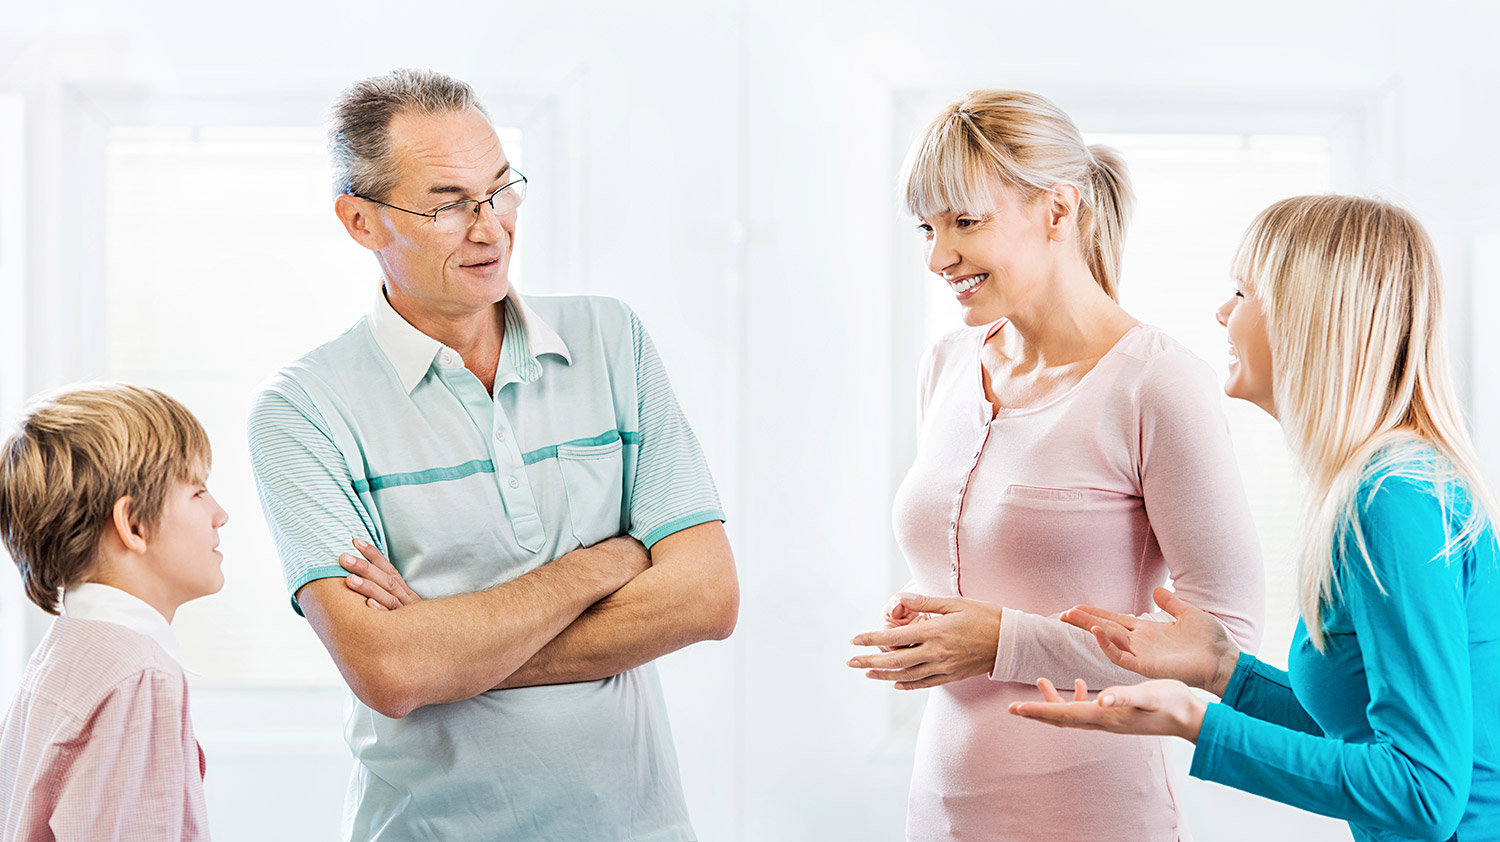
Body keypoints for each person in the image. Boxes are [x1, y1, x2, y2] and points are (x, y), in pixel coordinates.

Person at [246, 68, 737, 842]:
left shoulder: (612, 342)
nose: (492, 226)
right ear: (361, 222)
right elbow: (389, 673)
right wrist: (601, 565)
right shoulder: (301, 410)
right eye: (448, 204)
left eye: (502, 189)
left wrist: (446, 647)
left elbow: (706, 600)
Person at [1010, 194, 1500, 842]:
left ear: (1307, 319)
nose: (1222, 314)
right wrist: (1221, 671)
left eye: (1241, 293)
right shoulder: (1384, 486)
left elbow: (1421, 792)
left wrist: (1194, 720)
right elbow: (1361, 732)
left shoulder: (1391, 501)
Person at [845, 89, 1265, 841]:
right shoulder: (945, 365)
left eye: (966, 222)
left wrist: (1003, 641)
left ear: (1059, 211)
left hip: (1092, 809)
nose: (940, 257)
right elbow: (987, 570)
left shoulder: (1158, 382)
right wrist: (923, 614)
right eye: (929, 228)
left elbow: (1227, 640)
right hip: (940, 804)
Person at [0, 383, 226, 841]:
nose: (221, 514)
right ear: (134, 524)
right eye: (199, 493)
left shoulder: (65, 652)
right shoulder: (142, 676)